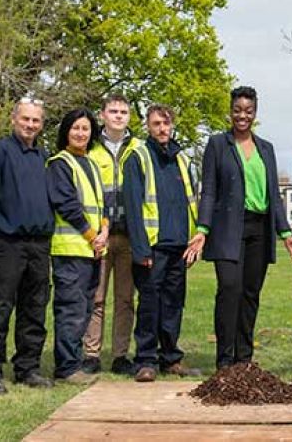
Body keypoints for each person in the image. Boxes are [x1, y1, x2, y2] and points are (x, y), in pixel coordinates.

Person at [183, 86, 292, 369]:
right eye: (237, 110)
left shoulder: (266, 148)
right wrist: (202, 229)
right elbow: (210, 191)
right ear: (230, 112)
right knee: (229, 289)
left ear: (255, 113)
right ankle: (225, 360)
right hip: (228, 228)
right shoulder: (217, 145)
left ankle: (244, 360)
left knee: (250, 294)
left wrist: (286, 234)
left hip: (258, 230)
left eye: (248, 111)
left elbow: (273, 194)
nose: (242, 115)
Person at [0, 97, 55, 395]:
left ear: (41, 124)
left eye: (36, 120)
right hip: (7, 243)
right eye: (26, 119)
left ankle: (27, 367)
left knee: (34, 308)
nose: (30, 125)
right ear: (14, 119)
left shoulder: (44, 157)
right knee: (0, 307)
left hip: (39, 245)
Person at [123, 104, 202, 381]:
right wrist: (141, 248)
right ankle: (146, 360)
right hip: (152, 248)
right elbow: (132, 207)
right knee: (149, 304)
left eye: (166, 124)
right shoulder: (138, 157)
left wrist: (194, 240)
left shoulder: (182, 159)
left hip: (180, 246)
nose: (162, 129)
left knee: (173, 304)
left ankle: (170, 358)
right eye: (157, 124)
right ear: (148, 125)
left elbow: (193, 202)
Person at [46, 108, 108, 384]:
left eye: (86, 129)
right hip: (71, 249)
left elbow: (101, 204)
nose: (81, 133)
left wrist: (104, 229)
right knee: (71, 309)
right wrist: (91, 235)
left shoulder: (91, 164)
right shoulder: (60, 163)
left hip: (92, 249)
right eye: (75, 128)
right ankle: (67, 368)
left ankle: (75, 361)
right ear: (66, 132)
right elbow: (67, 205)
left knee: (84, 308)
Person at [83, 94, 142, 375]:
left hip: (130, 236)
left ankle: (120, 355)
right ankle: (91, 354)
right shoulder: (91, 149)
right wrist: (94, 233)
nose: (119, 116)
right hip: (100, 236)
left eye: (123, 112)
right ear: (102, 115)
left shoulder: (139, 149)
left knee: (125, 299)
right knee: (96, 297)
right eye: (113, 111)